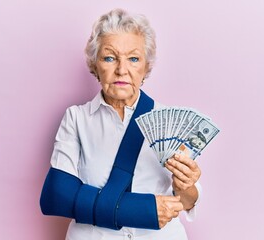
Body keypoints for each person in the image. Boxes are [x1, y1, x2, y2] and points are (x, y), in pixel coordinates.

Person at [40, 8, 202, 240]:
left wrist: (186, 184)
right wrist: (141, 210)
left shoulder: (170, 121)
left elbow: (186, 202)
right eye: (109, 57)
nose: (122, 69)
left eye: (134, 59)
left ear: (146, 67)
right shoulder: (76, 118)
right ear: (95, 65)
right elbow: (58, 197)